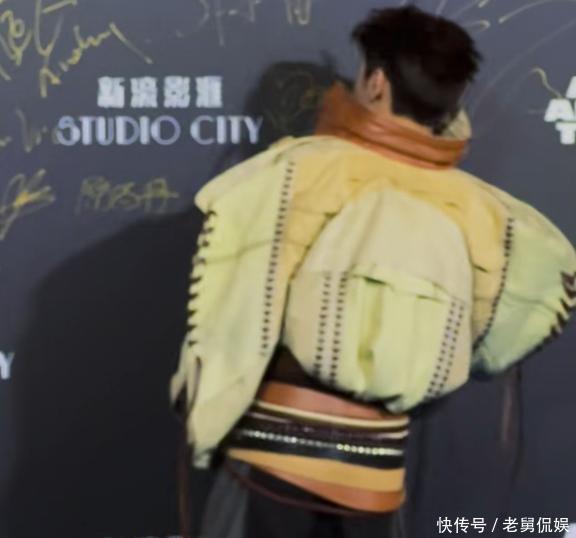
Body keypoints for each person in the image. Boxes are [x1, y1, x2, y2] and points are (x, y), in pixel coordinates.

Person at [169, 6, 576, 538]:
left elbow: (231, 319)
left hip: (269, 470)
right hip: (377, 484)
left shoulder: (293, 173)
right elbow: (508, 333)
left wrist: (203, 423)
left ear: (376, 82)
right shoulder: (487, 214)